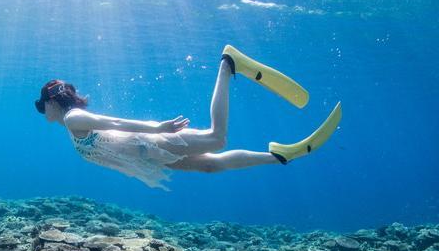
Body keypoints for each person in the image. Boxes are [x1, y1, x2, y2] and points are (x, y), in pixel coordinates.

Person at [35, 45, 342, 190]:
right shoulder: (70, 122)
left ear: (52, 101)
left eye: (42, 105)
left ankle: (228, 64)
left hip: (149, 143)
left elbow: (112, 123)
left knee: (216, 138)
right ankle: (279, 157)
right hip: (147, 157)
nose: (42, 111)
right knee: (210, 166)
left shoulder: (74, 117)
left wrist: (157, 127)